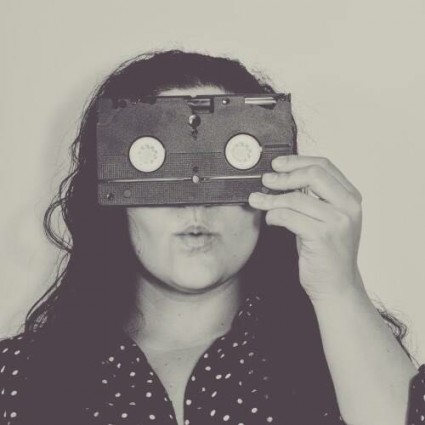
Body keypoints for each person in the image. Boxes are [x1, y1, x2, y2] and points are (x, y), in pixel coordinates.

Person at [0, 50, 418, 425]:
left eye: (232, 163)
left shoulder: (345, 360)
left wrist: (339, 289)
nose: (195, 200)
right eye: (154, 162)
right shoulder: (17, 376)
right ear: (112, 191)